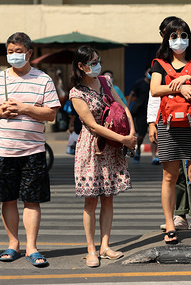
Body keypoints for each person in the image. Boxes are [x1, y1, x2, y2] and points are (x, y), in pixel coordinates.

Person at [0, 32, 61, 267]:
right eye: (10, 51)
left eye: (18, 51)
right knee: (8, 199)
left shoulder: (43, 79)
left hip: (33, 150)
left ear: (29, 53)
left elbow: (51, 114)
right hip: (3, 149)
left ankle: (32, 247)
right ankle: (13, 244)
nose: (14, 55)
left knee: (32, 200)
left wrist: (25, 108)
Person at [69, 46, 136, 267]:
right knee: (91, 200)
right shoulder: (76, 93)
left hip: (112, 146)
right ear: (81, 66)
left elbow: (123, 107)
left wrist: (131, 133)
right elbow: (92, 125)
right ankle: (91, 249)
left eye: (98, 60)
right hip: (92, 147)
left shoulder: (105, 82)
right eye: (93, 62)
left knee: (108, 197)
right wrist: (123, 139)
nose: (97, 64)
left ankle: (105, 246)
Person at [150, 18, 191, 245]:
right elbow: (155, 89)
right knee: (169, 177)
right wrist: (181, 85)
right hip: (168, 127)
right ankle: (169, 224)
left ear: (189, 37)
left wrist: (188, 81)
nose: (179, 40)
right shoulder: (159, 63)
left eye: (183, 35)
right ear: (166, 39)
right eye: (174, 36)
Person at [127, 67, 158, 164]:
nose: (150, 74)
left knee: (154, 136)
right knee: (140, 136)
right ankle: (138, 149)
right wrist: (127, 107)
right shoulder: (139, 83)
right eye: (149, 72)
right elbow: (131, 93)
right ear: (145, 73)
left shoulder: (157, 83)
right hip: (141, 112)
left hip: (154, 112)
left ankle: (154, 157)